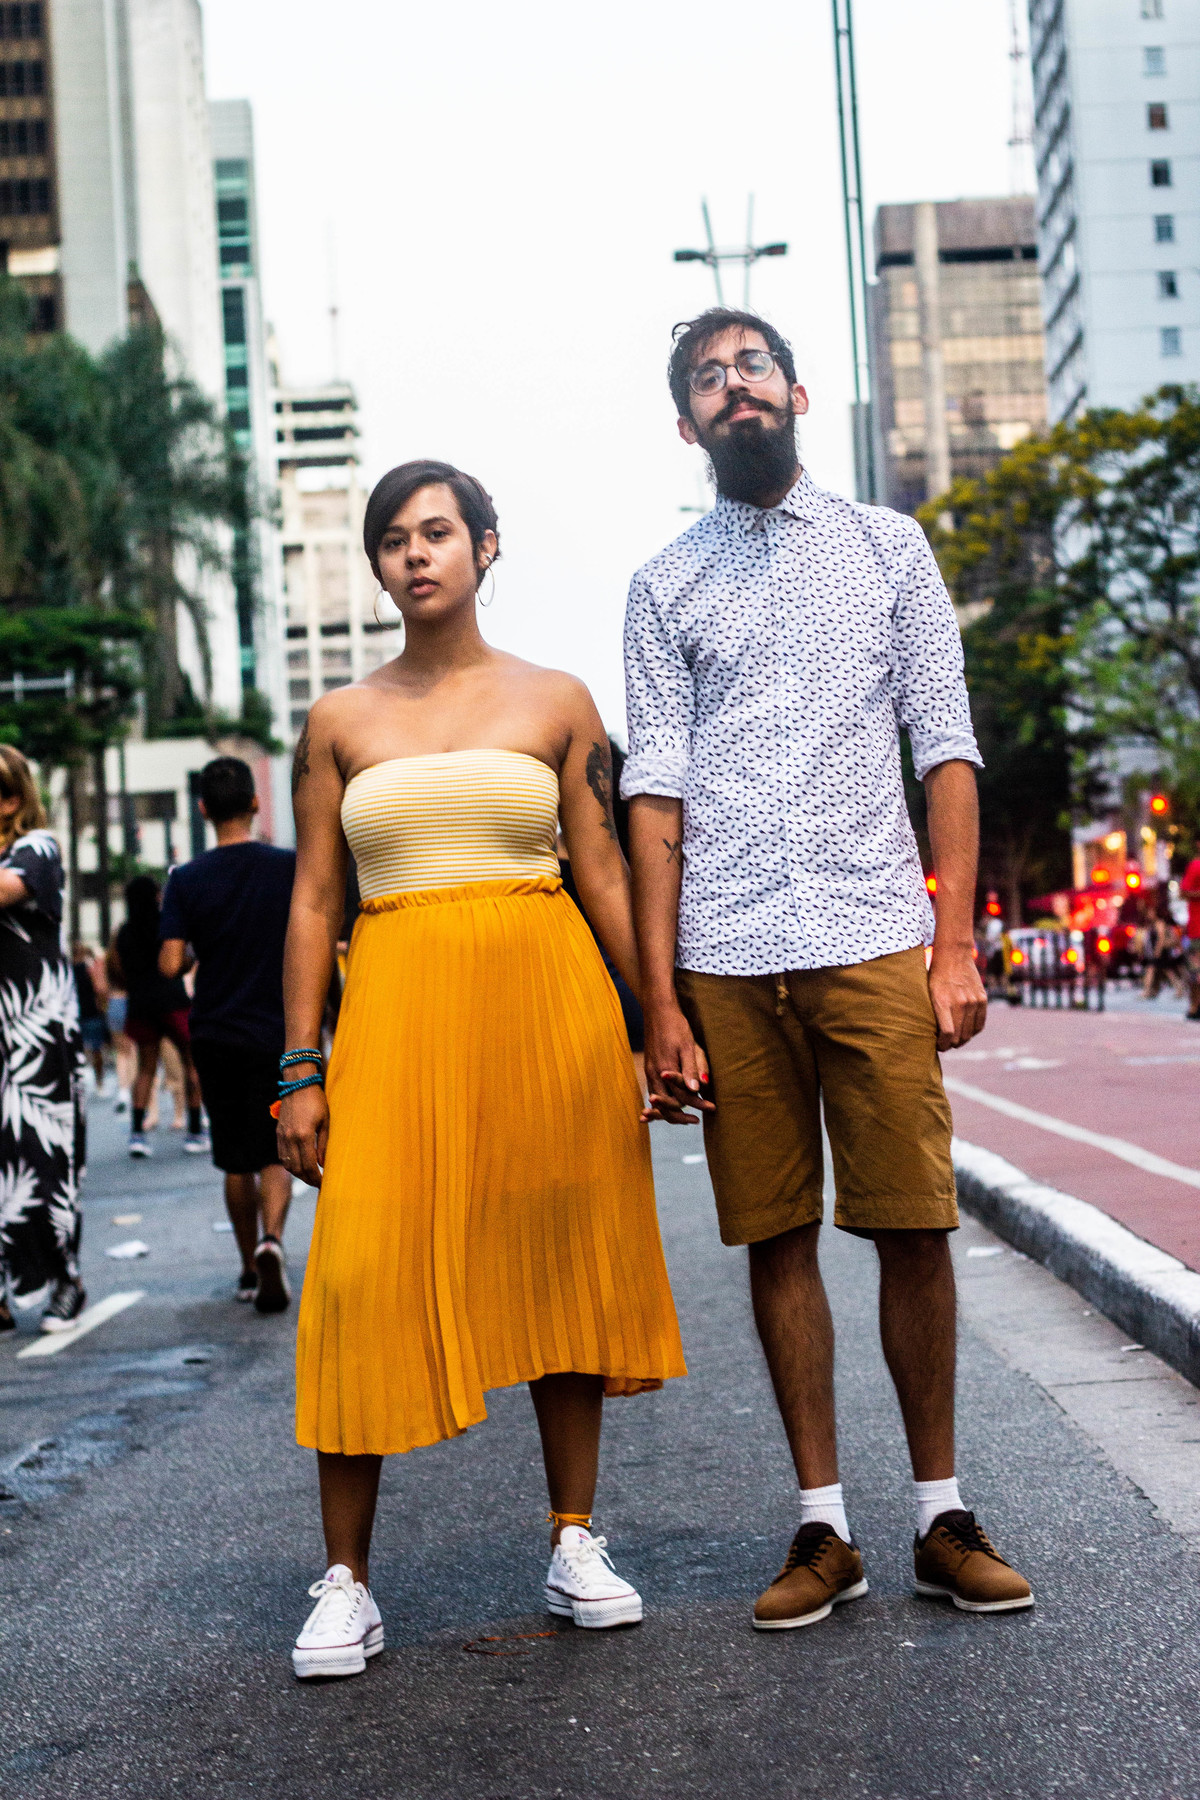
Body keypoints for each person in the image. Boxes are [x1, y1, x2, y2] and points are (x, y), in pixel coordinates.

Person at [622, 308, 1032, 1630]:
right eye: (707, 377)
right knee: (775, 1235)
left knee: (914, 1222)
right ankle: (823, 1526)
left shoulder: (887, 548)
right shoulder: (663, 587)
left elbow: (946, 747)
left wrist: (954, 944)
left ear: (796, 393)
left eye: (752, 365)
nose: (733, 386)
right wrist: (659, 1003)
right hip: (729, 952)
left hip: (872, 938)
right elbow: (654, 797)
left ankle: (942, 1517)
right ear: (686, 423)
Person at [277, 459, 685, 1679]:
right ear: (378, 565)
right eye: (394, 539)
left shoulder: (558, 700)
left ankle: (574, 1539)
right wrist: (300, 1066)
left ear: (485, 546)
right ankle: (346, 1580)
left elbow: (603, 871)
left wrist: (662, 1016)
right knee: (358, 1277)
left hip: (549, 1009)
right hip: (395, 1016)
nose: (417, 553)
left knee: (559, 1258)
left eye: (438, 531)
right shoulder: (338, 721)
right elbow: (314, 901)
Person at [159, 757, 295, 1311]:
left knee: (235, 1156)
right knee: (277, 1146)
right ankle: (273, 1240)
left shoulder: (186, 879)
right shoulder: (287, 867)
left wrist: (200, 946)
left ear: (203, 810)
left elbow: (170, 964)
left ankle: (245, 1268)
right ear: (256, 803)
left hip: (216, 1031)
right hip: (278, 1028)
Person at [0, 746, 87, 1334]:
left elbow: (9, 889)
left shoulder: (38, 848)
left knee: (42, 1152)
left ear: (10, 800)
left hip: (35, 1029)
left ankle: (65, 1280)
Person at [110, 876, 206, 1158]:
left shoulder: (124, 932)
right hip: (172, 1001)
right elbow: (179, 961)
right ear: (155, 896)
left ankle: (137, 1134)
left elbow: (118, 969)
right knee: (191, 1064)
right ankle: (195, 1130)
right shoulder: (166, 924)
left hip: (141, 1004)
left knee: (145, 1069)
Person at [72, 943, 109, 1089]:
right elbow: (99, 989)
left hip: (77, 1014)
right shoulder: (89, 970)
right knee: (96, 1049)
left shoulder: (69, 971)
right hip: (92, 1013)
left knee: (78, 1050)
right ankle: (99, 1081)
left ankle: (81, 1081)